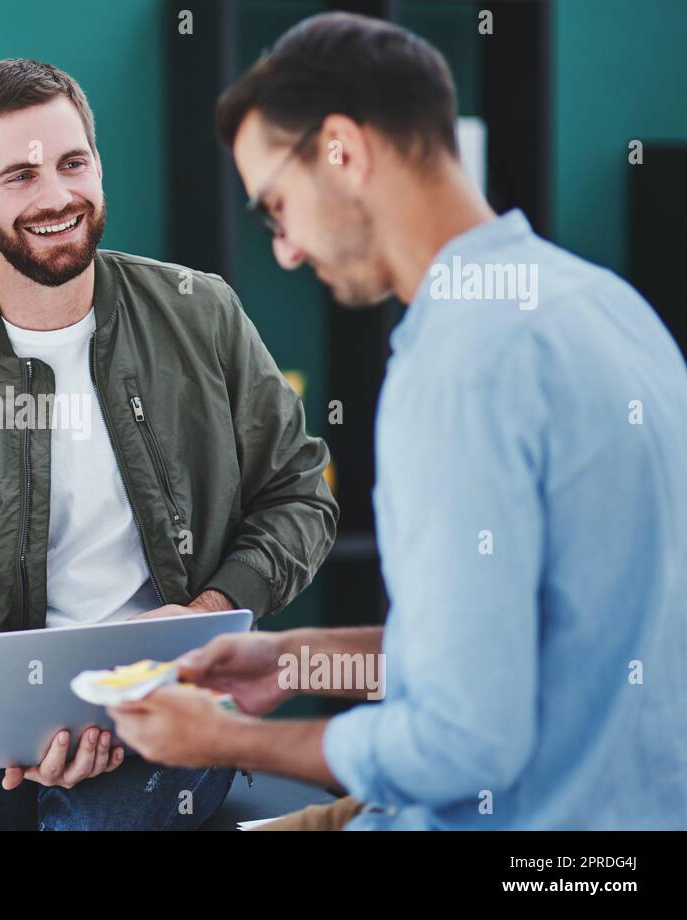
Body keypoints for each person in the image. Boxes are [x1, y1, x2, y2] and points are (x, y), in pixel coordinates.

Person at [109, 12, 687, 830]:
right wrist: (292, 658)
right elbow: (527, 650)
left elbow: (463, 742)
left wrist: (226, 740)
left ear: (341, 148)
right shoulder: (614, 310)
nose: (285, 250)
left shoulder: (458, 366)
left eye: (277, 205)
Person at [0, 59, 338, 830]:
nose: (55, 197)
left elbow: (300, 496)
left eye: (73, 163)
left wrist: (204, 610)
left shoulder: (203, 313)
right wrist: (19, 725)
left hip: (173, 692)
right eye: (18, 176)